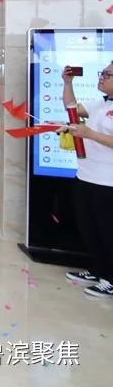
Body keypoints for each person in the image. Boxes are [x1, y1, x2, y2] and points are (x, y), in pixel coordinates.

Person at [61, 62, 113, 297]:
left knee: (107, 230)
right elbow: (72, 108)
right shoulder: (99, 103)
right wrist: (67, 83)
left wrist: (89, 134)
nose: (102, 77)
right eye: (103, 73)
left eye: (108, 75)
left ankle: (110, 278)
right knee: (89, 227)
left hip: (107, 182)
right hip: (86, 175)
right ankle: (98, 270)